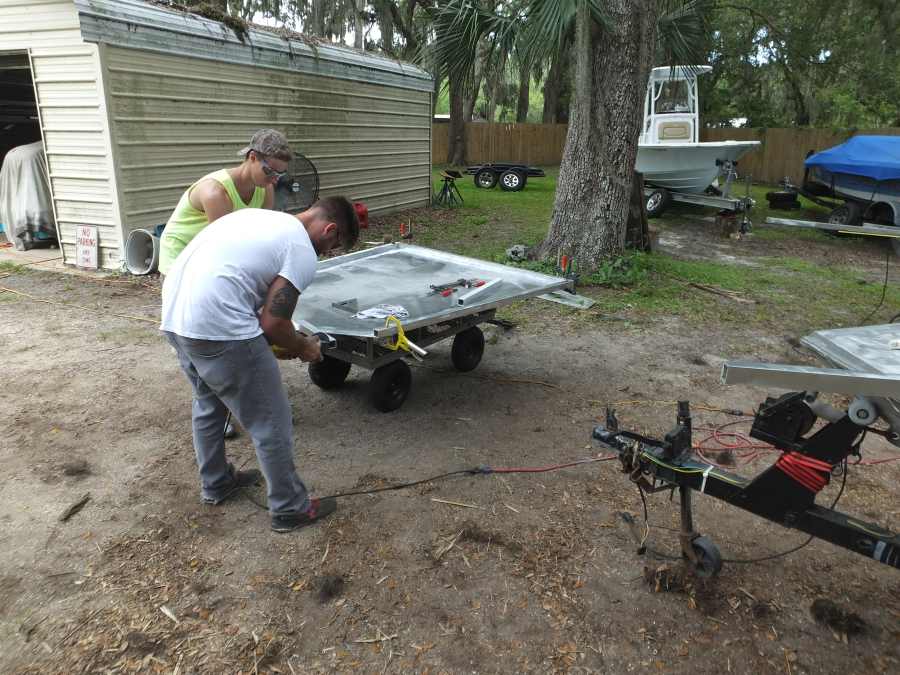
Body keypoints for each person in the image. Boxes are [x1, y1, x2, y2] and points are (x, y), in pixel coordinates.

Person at [160, 197, 360, 532]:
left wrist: (272, 339)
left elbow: (237, 281)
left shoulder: (258, 218)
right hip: (220, 328)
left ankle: (216, 483)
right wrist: (303, 347)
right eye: (333, 246)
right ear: (330, 229)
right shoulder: (300, 250)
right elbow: (274, 325)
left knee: (209, 404)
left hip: (177, 321)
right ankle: (289, 508)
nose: (327, 253)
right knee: (271, 420)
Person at [157, 128, 292, 276]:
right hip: (181, 256)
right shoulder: (215, 192)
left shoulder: (266, 188)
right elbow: (225, 248)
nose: (274, 179)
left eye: (280, 174)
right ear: (252, 157)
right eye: (270, 171)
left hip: (211, 253)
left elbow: (261, 233)